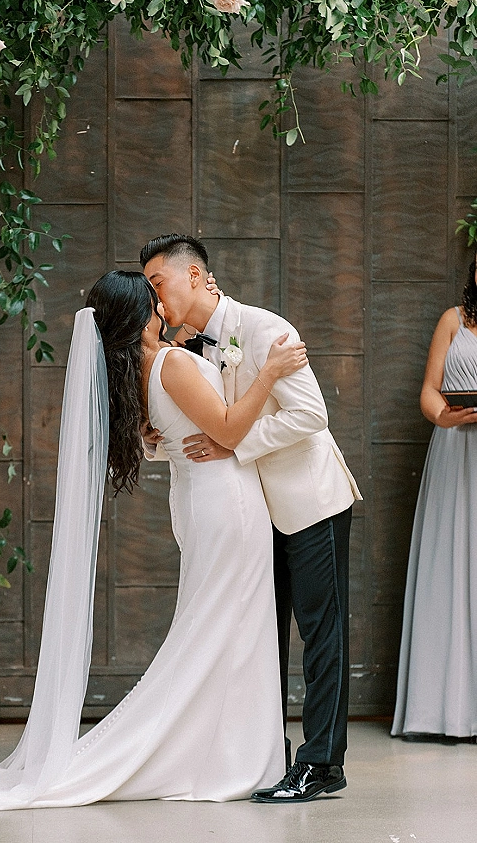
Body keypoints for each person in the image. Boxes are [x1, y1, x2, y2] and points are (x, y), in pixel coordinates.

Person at [0, 269, 303, 811]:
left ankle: (227, 749)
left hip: (204, 501)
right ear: (143, 312)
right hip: (224, 500)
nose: (163, 301)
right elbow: (228, 430)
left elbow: (169, 430)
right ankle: (223, 754)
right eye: (153, 295)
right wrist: (270, 371)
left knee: (221, 626)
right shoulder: (172, 362)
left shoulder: (137, 369)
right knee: (227, 625)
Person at [140, 234, 362, 803]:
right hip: (251, 512)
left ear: (194, 277)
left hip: (308, 500)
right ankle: (266, 756)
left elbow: (312, 414)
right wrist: (155, 440)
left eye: (157, 282)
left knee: (319, 632)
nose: (153, 296)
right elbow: (198, 430)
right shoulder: (181, 346)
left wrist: (236, 448)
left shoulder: (265, 330)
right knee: (264, 635)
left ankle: (321, 763)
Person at [391, 256, 477, 740]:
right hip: (457, 450)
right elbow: (430, 391)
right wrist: (442, 416)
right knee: (452, 565)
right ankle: (445, 710)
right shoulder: (453, 320)